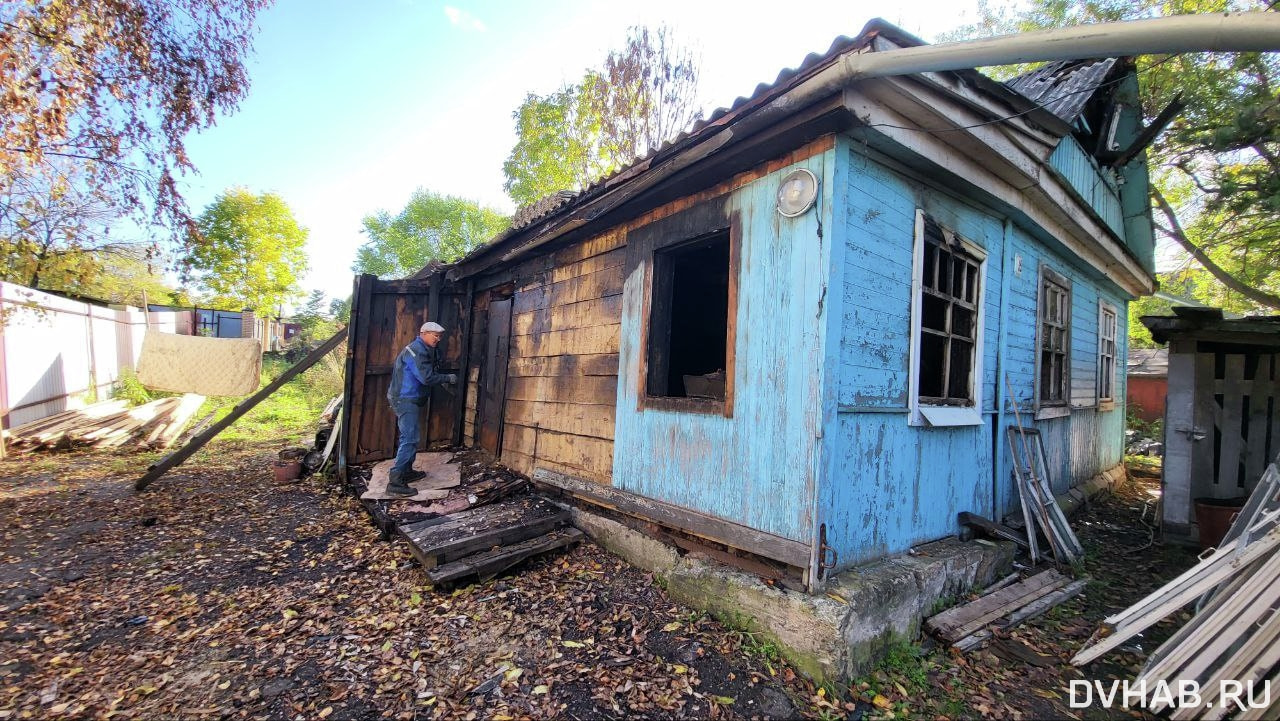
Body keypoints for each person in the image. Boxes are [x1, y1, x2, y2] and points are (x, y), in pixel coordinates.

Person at [385, 321, 457, 495]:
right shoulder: (416, 350)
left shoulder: (423, 350)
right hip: (405, 399)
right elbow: (426, 378)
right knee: (409, 438)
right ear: (423, 333)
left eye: (440, 336)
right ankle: (395, 482)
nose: (438, 339)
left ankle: (407, 472)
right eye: (435, 335)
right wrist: (448, 378)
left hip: (410, 398)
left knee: (411, 437)